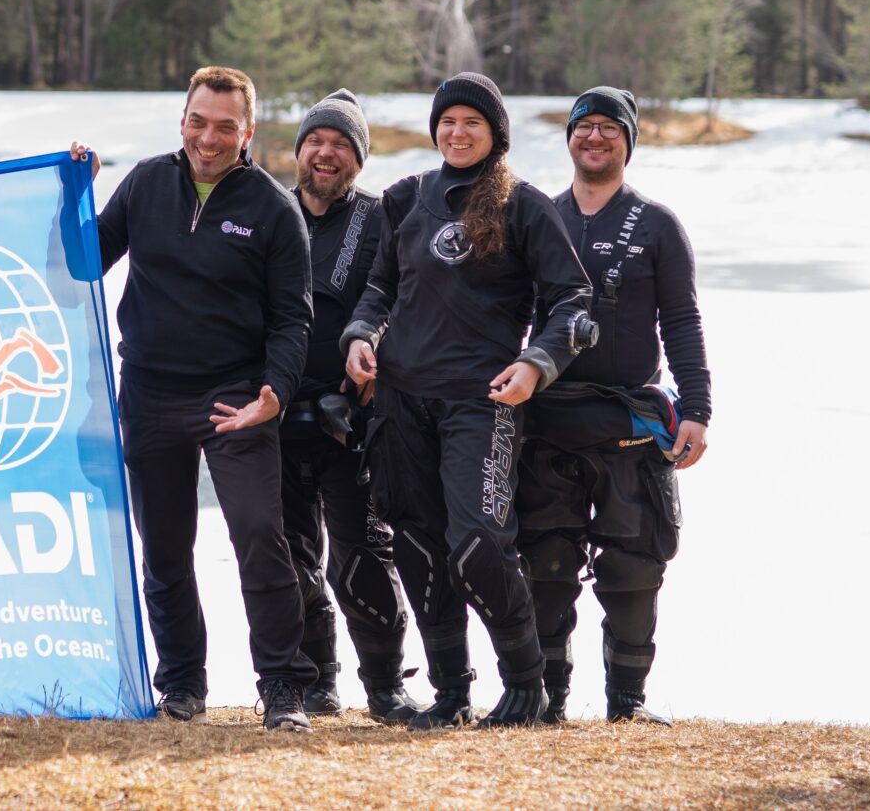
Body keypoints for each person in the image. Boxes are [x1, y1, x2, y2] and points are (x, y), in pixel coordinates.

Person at [343, 72, 596, 728]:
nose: (457, 132)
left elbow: (574, 301)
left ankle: (526, 682)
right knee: (420, 546)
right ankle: (452, 691)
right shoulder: (403, 199)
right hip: (401, 401)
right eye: (447, 121)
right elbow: (378, 289)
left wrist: (536, 363)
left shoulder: (524, 207)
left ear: (495, 133)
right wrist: (360, 334)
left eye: (471, 122)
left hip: (481, 404)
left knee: (476, 543)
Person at [98, 66, 316, 732]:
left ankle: (283, 688)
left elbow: (293, 318)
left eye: (226, 126)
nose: (209, 137)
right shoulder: (143, 184)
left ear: (248, 132)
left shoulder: (273, 208)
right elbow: (81, 259)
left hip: (235, 397)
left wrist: (274, 393)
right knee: (164, 547)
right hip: (151, 391)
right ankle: (183, 685)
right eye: (199, 121)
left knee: (257, 533)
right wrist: (70, 184)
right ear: (182, 120)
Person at [517, 86, 713, 725]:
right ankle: (547, 701)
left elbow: (682, 322)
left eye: (609, 129)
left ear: (628, 141)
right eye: (584, 127)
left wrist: (697, 409)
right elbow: (504, 318)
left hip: (629, 421)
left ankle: (627, 704)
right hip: (548, 420)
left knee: (633, 567)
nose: (594, 138)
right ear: (568, 137)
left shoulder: (657, 224)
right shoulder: (538, 215)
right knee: (546, 563)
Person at [279, 91, 419, 724]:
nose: (326, 153)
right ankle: (316, 681)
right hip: (273, 414)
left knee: (363, 555)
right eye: (317, 141)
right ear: (299, 149)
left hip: (352, 418)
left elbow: (402, 297)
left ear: (358, 158)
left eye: (341, 144)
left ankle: (385, 686)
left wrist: (376, 356)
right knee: (289, 557)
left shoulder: (384, 216)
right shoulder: (268, 211)